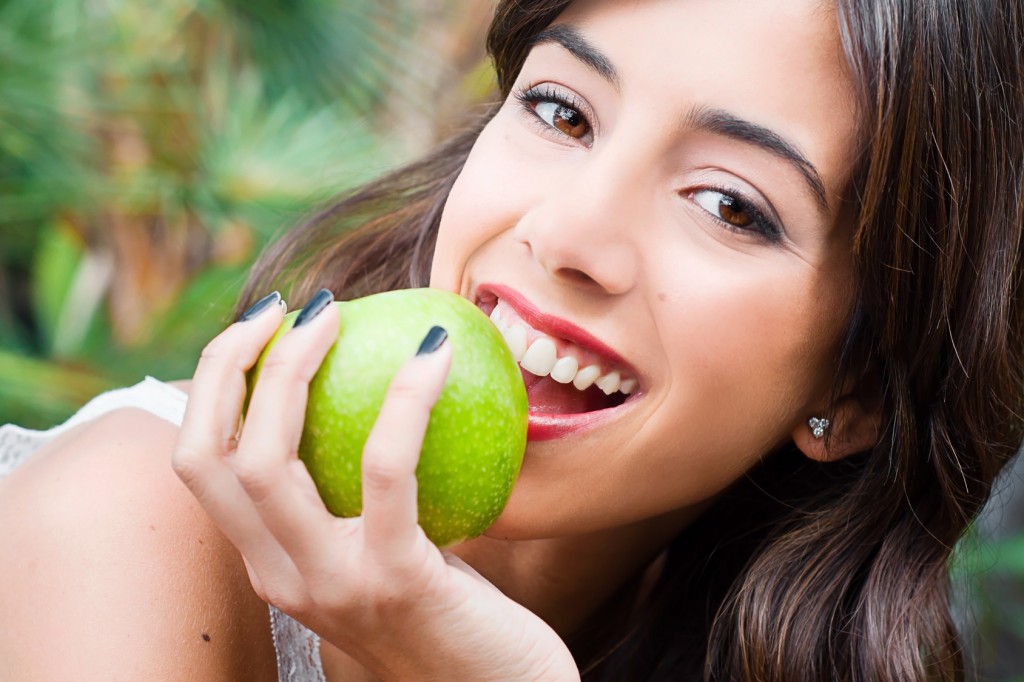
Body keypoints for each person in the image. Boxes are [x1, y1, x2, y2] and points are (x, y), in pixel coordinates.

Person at [1, 0, 1021, 679]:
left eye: (726, 204)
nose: (568, 231)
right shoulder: (132, 515)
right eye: (562, 112)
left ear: (857, 391)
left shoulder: (763, 647)